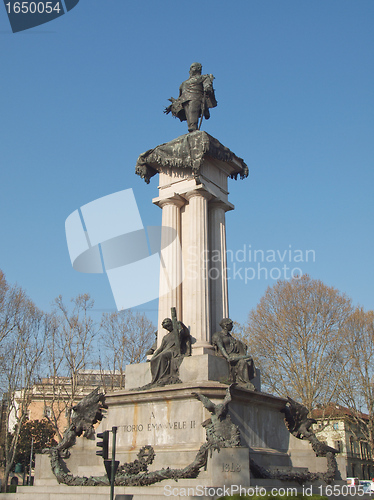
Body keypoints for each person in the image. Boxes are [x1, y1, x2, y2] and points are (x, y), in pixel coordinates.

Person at [165, 62, 217, 132]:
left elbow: (207, 85)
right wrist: (174, 104)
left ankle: (194, 127)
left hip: (196, 97)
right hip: (185, 100)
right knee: (188, 114)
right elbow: (180, 95)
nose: (191, 69)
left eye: (193, 67)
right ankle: (191, 128)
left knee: (193, 112)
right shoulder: (184, 83)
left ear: (198, 68)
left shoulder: (203, 77)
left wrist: (207, 87)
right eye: (191, 68)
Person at [212, 318, 256, 390]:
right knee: (243, 362)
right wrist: (227, 357)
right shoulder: (218, 335)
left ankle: (245, 380)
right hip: (228, 355)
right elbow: (221, 348)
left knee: (249, 359)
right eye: (231, 325)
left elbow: (236, 346)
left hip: (234, 355)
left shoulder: (230, 337)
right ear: (226, 326)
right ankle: (243, 382)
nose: (232, 326)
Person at [148, 317, 191, 386]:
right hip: (166, 351)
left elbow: (186, 333)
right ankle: (156, 379)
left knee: (162, 356)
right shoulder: (165, 337)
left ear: (172, 324)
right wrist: (153, 356)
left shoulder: (178, 332)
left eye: (168, 326)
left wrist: (182, 324)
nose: (168, 328)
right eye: (166, 327)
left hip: (173, 351)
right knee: (155, 359)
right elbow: (160, 348)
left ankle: (163, 377)